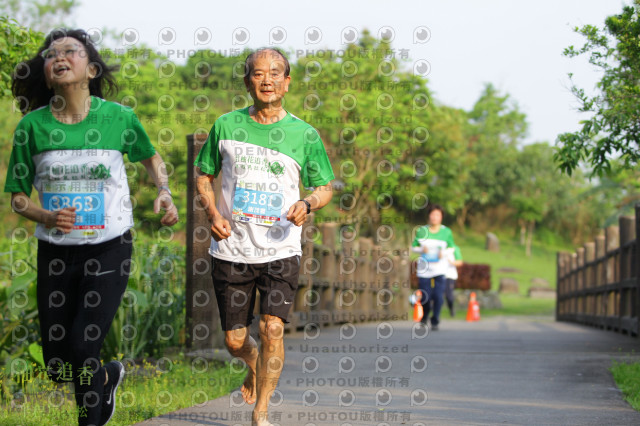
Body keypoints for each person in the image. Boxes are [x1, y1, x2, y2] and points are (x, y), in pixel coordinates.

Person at [5, 28, 179, 425]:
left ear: (92, 68)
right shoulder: (32, 127)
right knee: (57, 364)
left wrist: (164, 192)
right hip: (55, 253)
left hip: (109, 247)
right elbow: (16, 195)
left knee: (84, 346)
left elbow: (150, 157)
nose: (59, 57)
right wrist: (46, 216)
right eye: (51, 55)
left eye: (71, 51)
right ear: (47, 73)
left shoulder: (118, 118)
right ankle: (107, 376)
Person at [195, 47, 334, 426]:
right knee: (236, 341)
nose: (267, 80)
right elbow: (203, 175)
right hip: (232, 248)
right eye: (258, 74)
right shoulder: (225, 126)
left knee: (272, 327)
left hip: (281, 247)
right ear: (247, 82)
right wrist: (212, 212)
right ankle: (253, 366)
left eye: (275, 73)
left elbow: (325, 186)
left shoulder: (304, 134)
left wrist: (307, 202)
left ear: (287, 83)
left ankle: (262, 411)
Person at [411, 204, 457, 330]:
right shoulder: (422, 231)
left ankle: (435, 319)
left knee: (438, 296)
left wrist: (444, 253)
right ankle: (424, 315)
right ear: (429, 216)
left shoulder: (446, 232)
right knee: (425, 296)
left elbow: (452, 247)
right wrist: (421, 249)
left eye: (437, 215)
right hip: (424, 270)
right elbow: (413, 247)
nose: (434, 217)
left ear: (441, 217)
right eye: (432, 214)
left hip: (440, 269)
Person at [443, 245, 463, 316]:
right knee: (437, 295)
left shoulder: (454, 248)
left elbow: (460, 262)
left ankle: (451, 309)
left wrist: (451, 262)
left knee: (449, 296)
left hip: (450, 275)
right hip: (438, 274)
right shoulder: (439, 246)